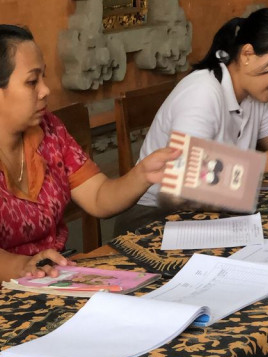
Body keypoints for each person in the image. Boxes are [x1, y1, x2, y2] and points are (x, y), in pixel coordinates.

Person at [126, 8, 268, 224]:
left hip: (217, 207)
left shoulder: (254, 93)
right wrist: (264, 164)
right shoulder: (202, 93)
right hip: (157, 215)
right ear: (247, 54)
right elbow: (182, 181)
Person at [0, 25, 177, 284]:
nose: (45, 90)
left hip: (54, 278)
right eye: (31, 81)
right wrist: (24, 265)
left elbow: (98, 196)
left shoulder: (50, 129)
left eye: (44, 78)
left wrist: (142, 175)